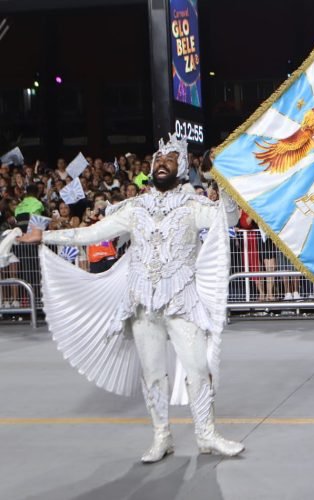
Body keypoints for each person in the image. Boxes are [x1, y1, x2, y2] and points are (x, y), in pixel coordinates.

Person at [14, 134, 245, 463]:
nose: (162, 162)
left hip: (182, 301)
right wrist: (45, 235)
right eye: (158, 159)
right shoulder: (135, 208)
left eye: (170, 158)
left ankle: (207, 435)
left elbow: (230, 218)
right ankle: (161, 437)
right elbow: (91, 233)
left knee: (198, 368)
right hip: (141, 304)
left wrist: (215, 177)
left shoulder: (195, 206)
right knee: (152, 373)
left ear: (182, 167)